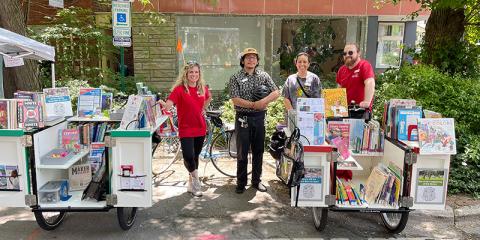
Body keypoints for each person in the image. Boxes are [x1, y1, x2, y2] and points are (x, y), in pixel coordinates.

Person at [229, 48, 280, 194]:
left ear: (257, 61)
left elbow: (276, 92)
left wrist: (263, 101)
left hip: (259, 118)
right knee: (242, 152)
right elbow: (235, 98)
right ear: (243, 60)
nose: (251, 60)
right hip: (242, 117)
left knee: (258, 151)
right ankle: (241, 182)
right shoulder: (235, 77)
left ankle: (256, 181)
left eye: (254, 57)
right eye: (248, 57)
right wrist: (252, 105)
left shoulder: (263, 76)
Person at [158, 61, 211, 197]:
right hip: (186, 128)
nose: (194, 74)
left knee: (195, 156)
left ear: (199, 74)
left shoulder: (203, 88)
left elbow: (208, 98)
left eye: (196, 72)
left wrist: (203, 109)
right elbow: (168, 106)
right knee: (188, 156)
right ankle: (196, 180)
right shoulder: (180, 89)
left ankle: (191, 186)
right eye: (191, 72)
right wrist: (161, 103)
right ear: (186, 74)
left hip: (200, 127)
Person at [336, 43, 375, 109]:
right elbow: (339, 89)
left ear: (358, 53)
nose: (347, 55)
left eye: (350, 53)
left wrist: (366, 102)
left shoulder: (364, 65)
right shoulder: (341, 70)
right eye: (345, 53)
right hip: (344, 111)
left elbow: (370, 83)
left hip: (361, 111)